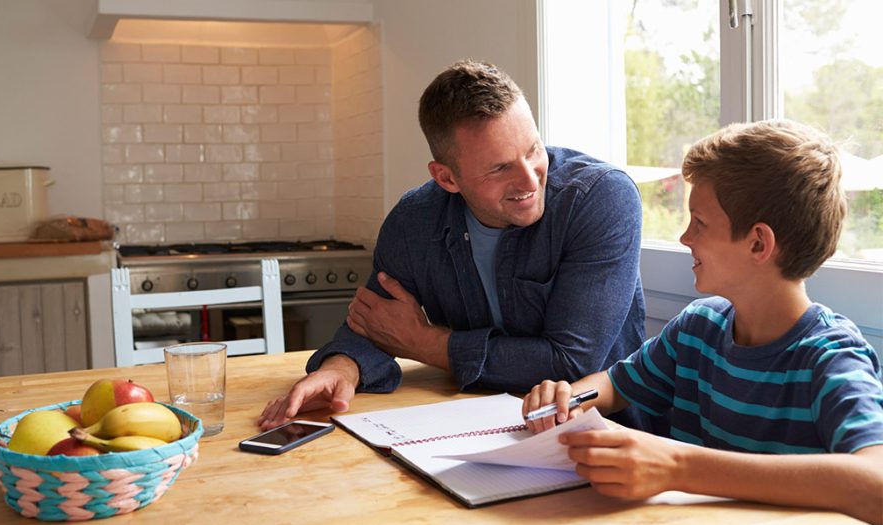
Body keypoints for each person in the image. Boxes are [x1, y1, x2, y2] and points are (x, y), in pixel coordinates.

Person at [522, 119, 883, 525]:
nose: (684, 238)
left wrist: (679, 466)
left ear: (758, 243)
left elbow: (876, 483)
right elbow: (614, 385)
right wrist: (569, 398)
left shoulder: (832, 358)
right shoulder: (699, 326)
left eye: (700, 222)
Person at [259, 59, 649, 431]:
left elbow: (572, 363)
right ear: (446, 178)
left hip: (603, 434)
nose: (530, 180)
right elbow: (375, 324)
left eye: (533, 150)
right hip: (466, 429)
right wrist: (340, 369)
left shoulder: (601, 199)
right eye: (500, 168)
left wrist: (426, 344)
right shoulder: (414, 221)